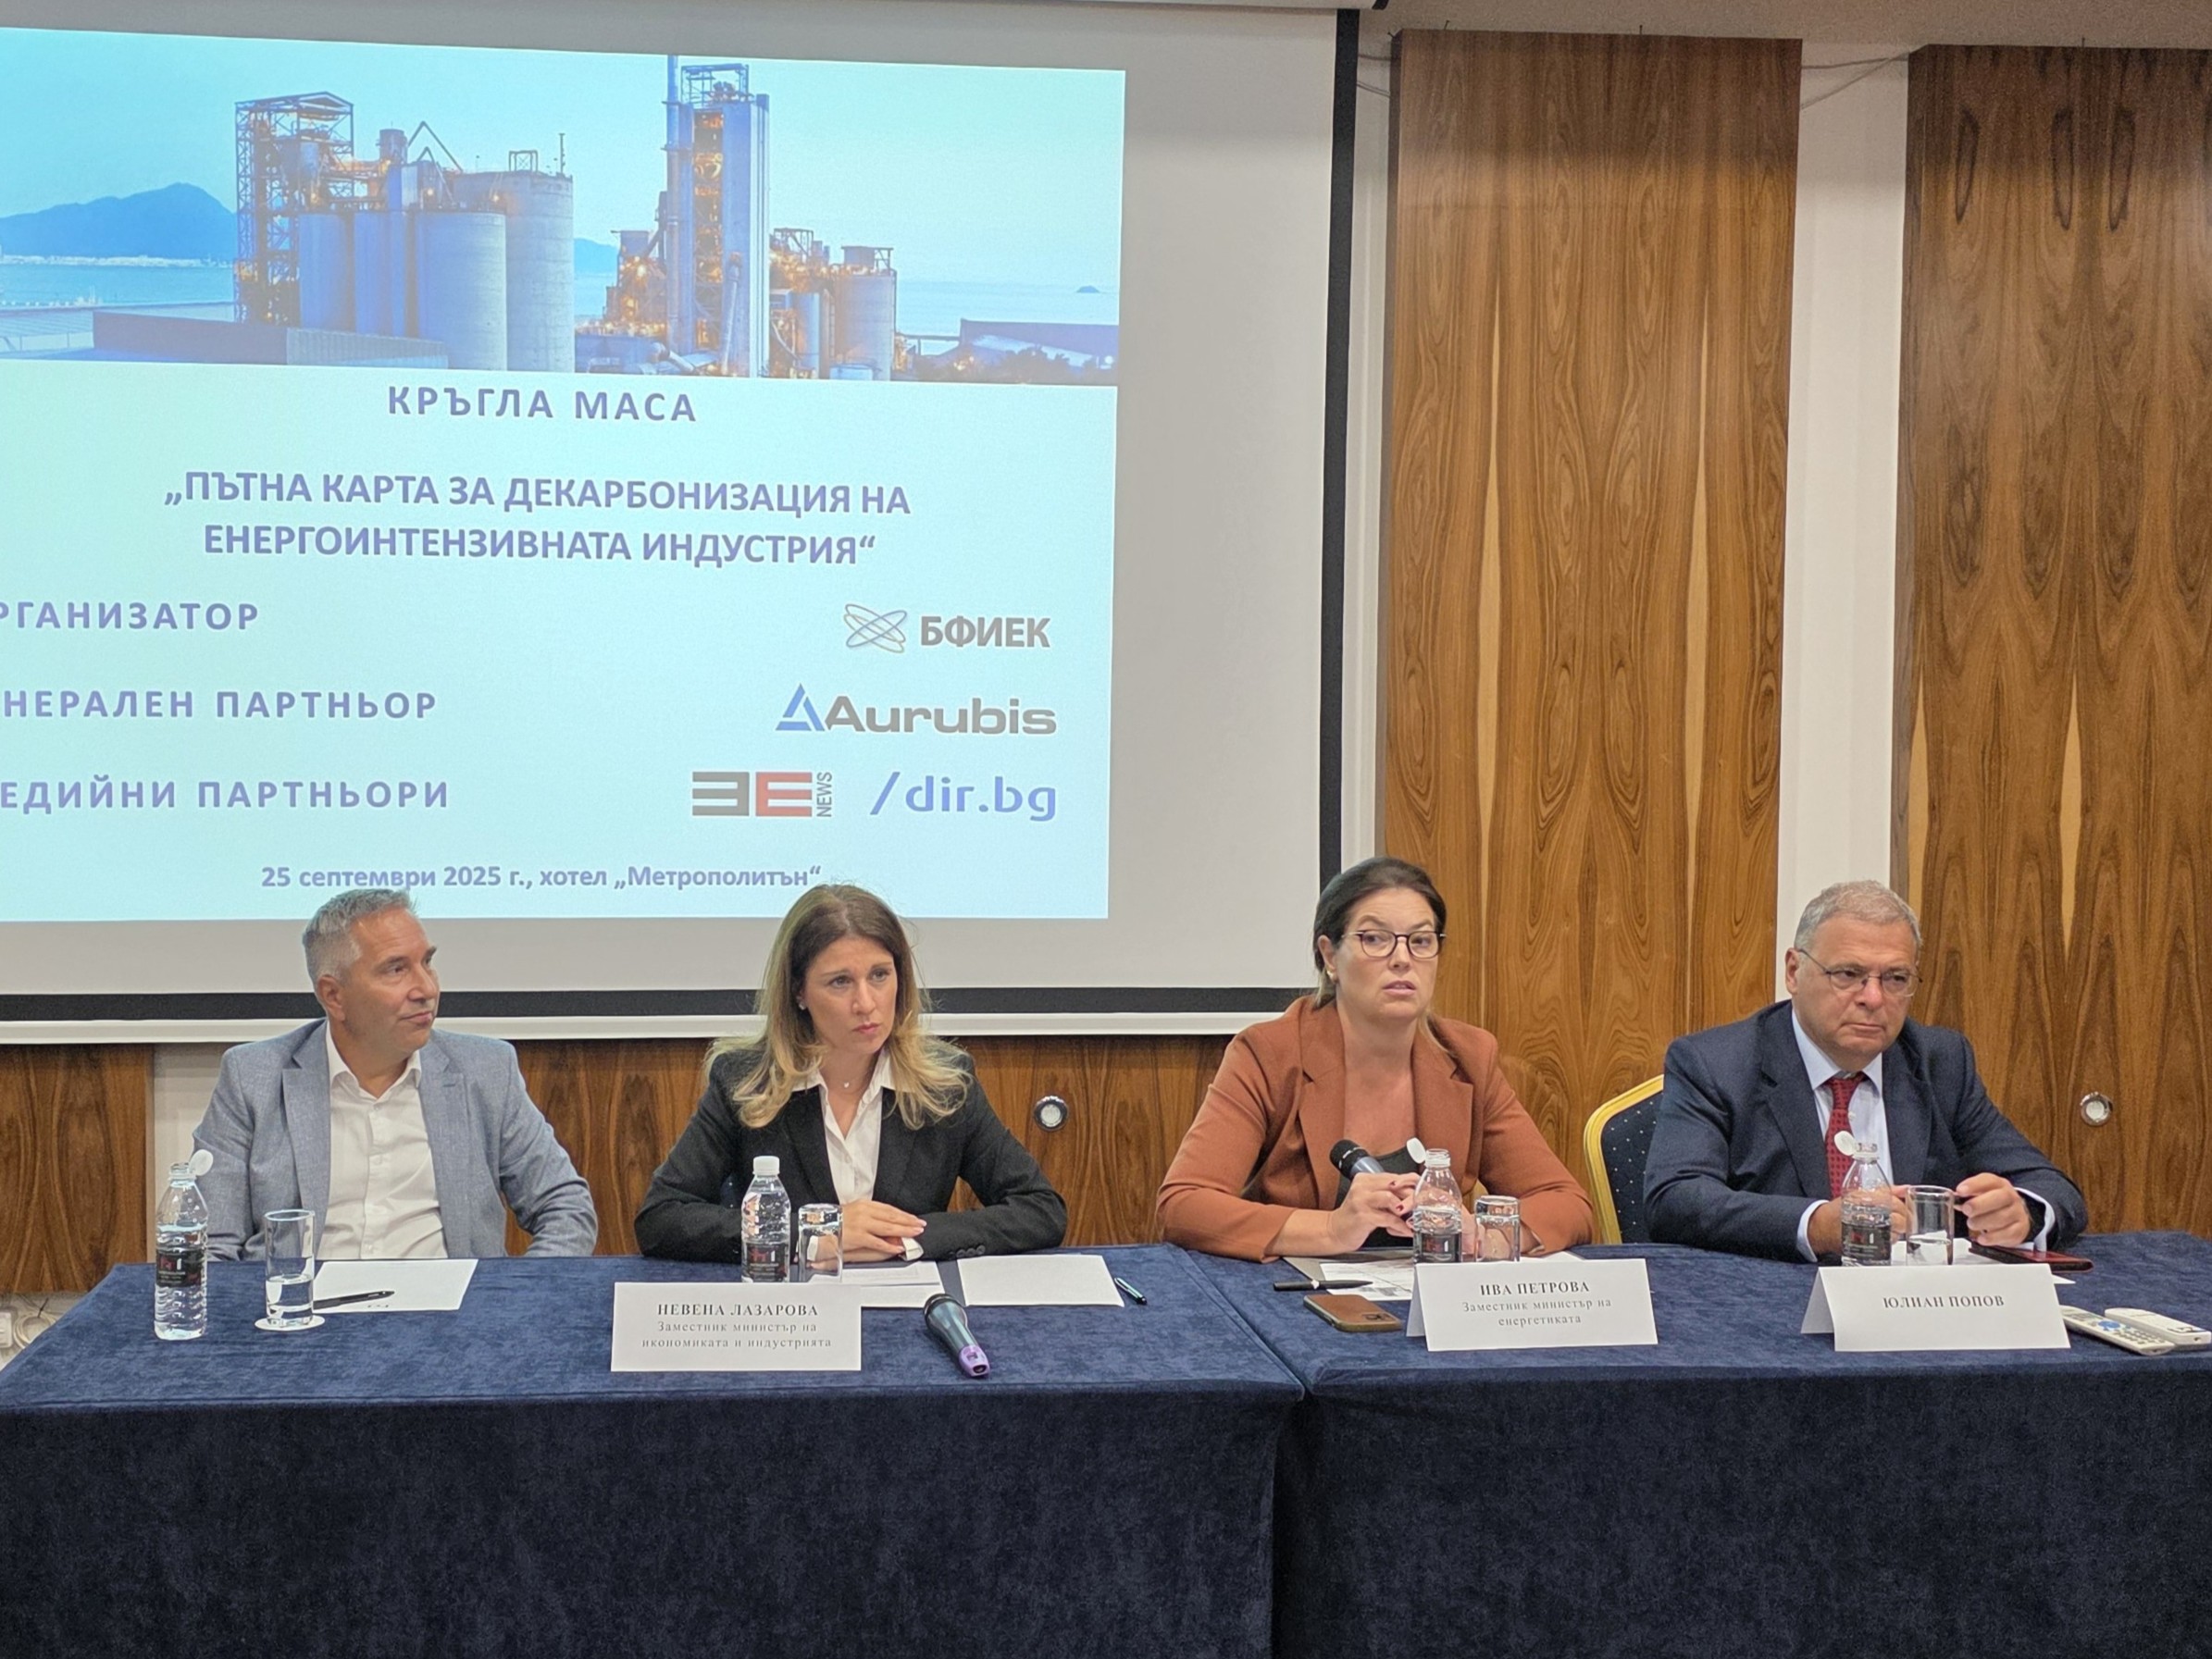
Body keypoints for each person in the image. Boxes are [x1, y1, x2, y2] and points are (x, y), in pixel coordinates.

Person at [1158, 857, 1594, 1260]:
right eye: (1375, 939)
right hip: (1294, 1300)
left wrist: (1481, 1236)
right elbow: (1184, 1205)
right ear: (1330, 956)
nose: (1402, 959)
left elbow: (1566, 1204)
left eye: (1421, 941)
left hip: (1431, 1302)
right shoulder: (1270, 1054)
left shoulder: (1468, 1058)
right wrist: (1332, 1229)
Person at [1646, 879, 2088, 1260]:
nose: (1873, 998)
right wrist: (1816, 1224)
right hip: (1774, 1301)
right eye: (1847, 974)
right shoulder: (1716, 1064)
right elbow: (1676, 1199)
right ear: (1794, 971)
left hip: (1918, 1305)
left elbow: (2052, 1187)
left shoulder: (1939, 1061)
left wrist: (2023, 1212)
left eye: (1896, 979)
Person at [636, 884, 1066, 1261]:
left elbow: (1040, 1209)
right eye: (840, 982)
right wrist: (813, 1234)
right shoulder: (746, 1083)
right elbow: (662, 1217)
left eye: (880, 975)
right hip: (793, 1313)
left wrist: (910, 1236)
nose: (866, 1003)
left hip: (908, 1308)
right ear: (799, 992)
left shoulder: (946, 1084)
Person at [193, 889, 597, 1261]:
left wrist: (516, 1298)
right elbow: (210, 1245)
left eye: (427, 963)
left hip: (452, 1309)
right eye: (396, 969)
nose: (426, 989)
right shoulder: (253, 1077)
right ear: (334, 995)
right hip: (303, 1307)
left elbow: (565, 1207)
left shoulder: (485, 1070)